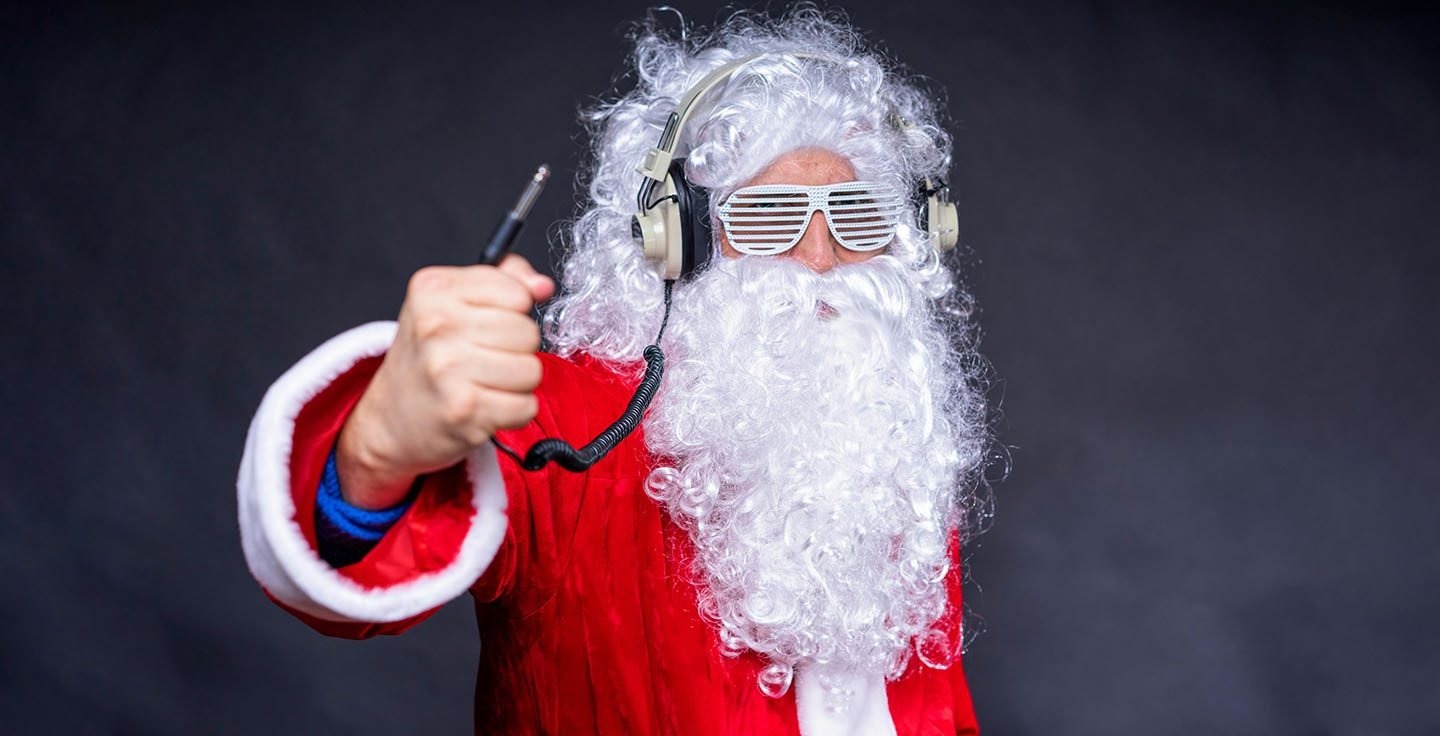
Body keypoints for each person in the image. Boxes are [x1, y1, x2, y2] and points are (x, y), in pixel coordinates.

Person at [238, 9, 991, 735]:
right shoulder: (563, 420)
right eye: (768, 219)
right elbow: (351, 578)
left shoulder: (885, 429)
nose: (821, 260)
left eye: (856, 217)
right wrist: (376, 454)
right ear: (676, 241)